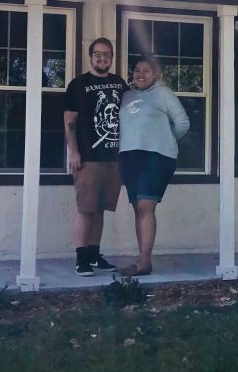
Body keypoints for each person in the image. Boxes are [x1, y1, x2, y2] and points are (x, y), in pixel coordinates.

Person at [118, 55, 190, 276]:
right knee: (137, 207)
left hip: (157, 157)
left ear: (155, 74)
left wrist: (165, 138)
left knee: (145, 206)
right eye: (137, 70)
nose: (141, 74)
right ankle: (143, 259)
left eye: (146, 70)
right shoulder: (126, 96)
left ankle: (143, 263)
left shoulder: (164, 93)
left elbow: (183, 123)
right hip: (130, 157)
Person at [63, 37, 127, 276]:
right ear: (90, 57)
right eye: (98, 54)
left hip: (113, 158)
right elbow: (69, 120)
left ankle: (94, 254)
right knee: (85, 209)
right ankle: (81, 259)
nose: (102, 58)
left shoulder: (119, 84)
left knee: (100, 209)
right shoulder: (78, 84)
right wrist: (74, 151)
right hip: (88, 157)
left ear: (112, 57)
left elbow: (128, 116)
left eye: (107, 54)